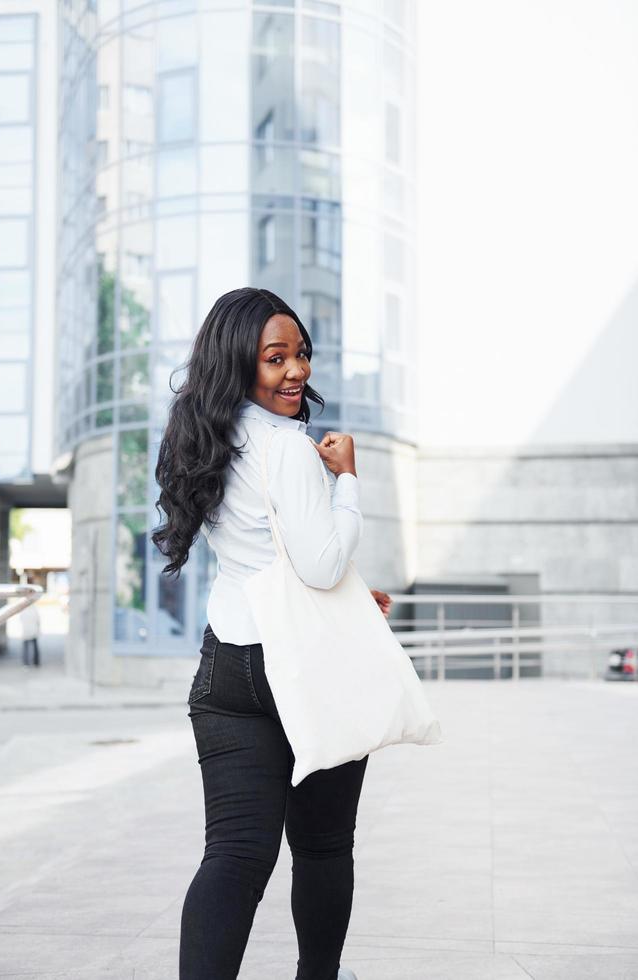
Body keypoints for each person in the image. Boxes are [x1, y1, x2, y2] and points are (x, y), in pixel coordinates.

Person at [152, 287, 392, 980]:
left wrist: (352, 589)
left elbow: (262, 552)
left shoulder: (204, 440)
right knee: (321, 846)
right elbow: (319, 566)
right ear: (239, 364)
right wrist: (346, 481)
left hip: (228, 665)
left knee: (232, 853)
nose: (297, 371)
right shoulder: (288, 448)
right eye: (276, 358)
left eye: (302, 354)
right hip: (308, 669)